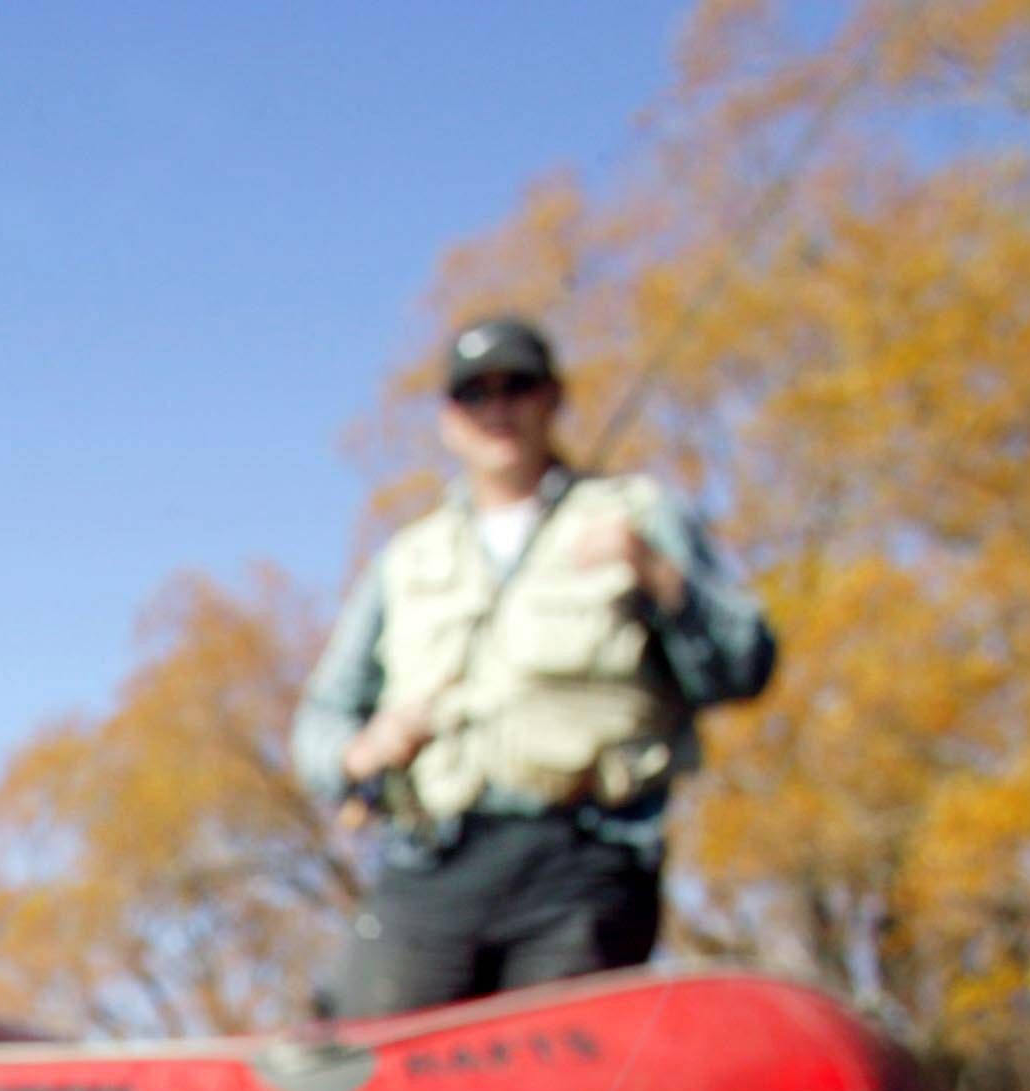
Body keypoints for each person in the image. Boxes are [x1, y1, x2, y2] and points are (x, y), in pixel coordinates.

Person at [291, 314, 777, 1020]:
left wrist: (659, 576)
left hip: (586, 856)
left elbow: (746, 665)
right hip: (432, 859)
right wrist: (357, 752)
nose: (498, 409)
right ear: (448, 420)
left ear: (553, 397)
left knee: (558, 1077)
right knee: (359, 1061)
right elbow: (321, 715)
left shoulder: (635, 514)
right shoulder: (406, 559)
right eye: (474, 394)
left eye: (517, 386)